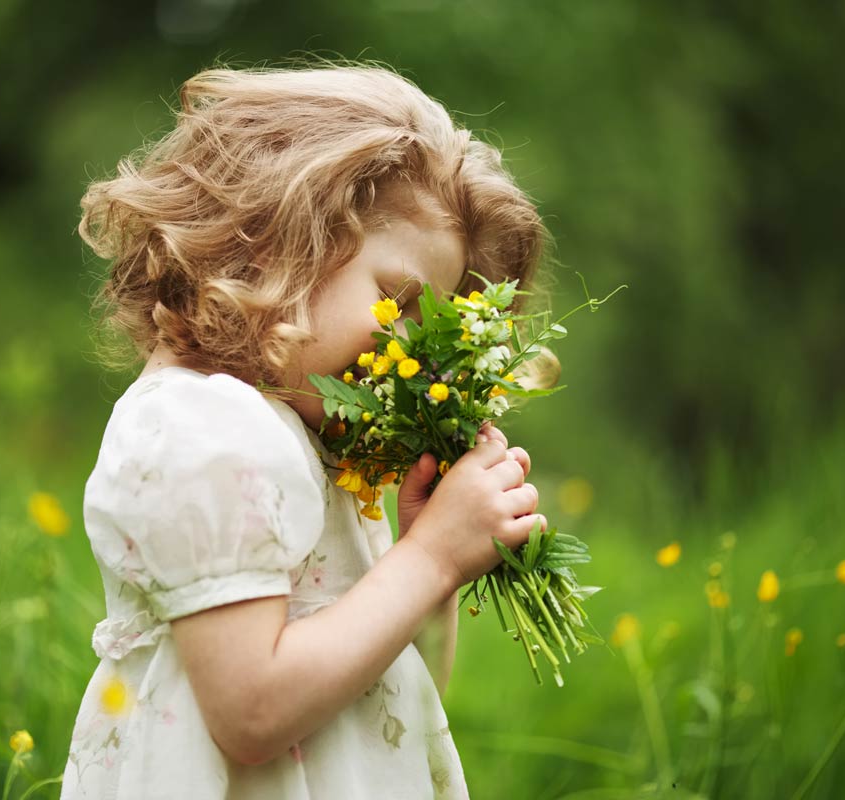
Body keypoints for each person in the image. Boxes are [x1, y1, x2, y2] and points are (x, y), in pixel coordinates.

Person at [61, 60, 554, 799]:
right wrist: (428, 559)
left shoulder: (298, 444)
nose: (413, 352)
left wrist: (434, 557)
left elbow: (399, 694)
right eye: (396, 300)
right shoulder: (203, 427)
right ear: (275, 239)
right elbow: (253, 713)